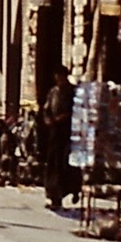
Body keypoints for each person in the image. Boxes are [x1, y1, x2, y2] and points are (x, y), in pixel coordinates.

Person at [42, 66, 76, 209]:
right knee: (52, 162)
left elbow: (75, 109)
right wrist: (48, 119)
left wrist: (64, 117)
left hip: (67, 131)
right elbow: (46, 108)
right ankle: (52, 195)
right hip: (54, 131)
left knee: (64, 163)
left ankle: (67, 192)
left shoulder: (72, 91)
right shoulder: (53, 92)